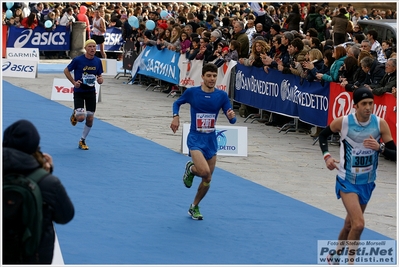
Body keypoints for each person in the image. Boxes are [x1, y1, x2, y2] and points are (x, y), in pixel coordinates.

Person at [318, 87, 396, 264]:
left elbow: (395, 153)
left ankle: (335, 256)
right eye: (364, 104)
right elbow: (323, 136)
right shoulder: (344, 122)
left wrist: (380, 148)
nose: (368, 107)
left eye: (371, 103)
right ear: (355, 106)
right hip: (347, 181)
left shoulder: (380, 123)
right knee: (359, 224)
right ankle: (351, 262)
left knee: (349, 225)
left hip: (367, 182)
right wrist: (327, 157)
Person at [170, 63, 236, 220]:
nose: (212, 79)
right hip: (195, 138)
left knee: (207, 178)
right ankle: (191, 169)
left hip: (211, 140)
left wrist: (232, 116)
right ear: (203, 77)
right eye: (209, 76)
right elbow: (177, 103)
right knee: (204, 172)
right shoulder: (193, 92)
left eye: (214, 76)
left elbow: (231, 118)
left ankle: (194, 206)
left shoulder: (221, 96)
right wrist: (175, 116)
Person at [3, 119, 75, 264]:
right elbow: (65, 216)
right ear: (35, 146)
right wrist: (47, 174)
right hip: (33, 257)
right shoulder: (48, 182)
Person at [64, 39, 104, 150]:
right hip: (79, 92)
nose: (92, 49)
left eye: (94, 47)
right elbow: (66, 70)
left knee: (90, 118)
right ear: (85, 48)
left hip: (91, 92)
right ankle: (75, 113)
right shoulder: (78, 60)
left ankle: (82, 140)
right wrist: (74, 82)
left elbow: (99, 75)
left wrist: (100, 79)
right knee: (81, 118)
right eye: (90, 46)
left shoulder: (97, 61)